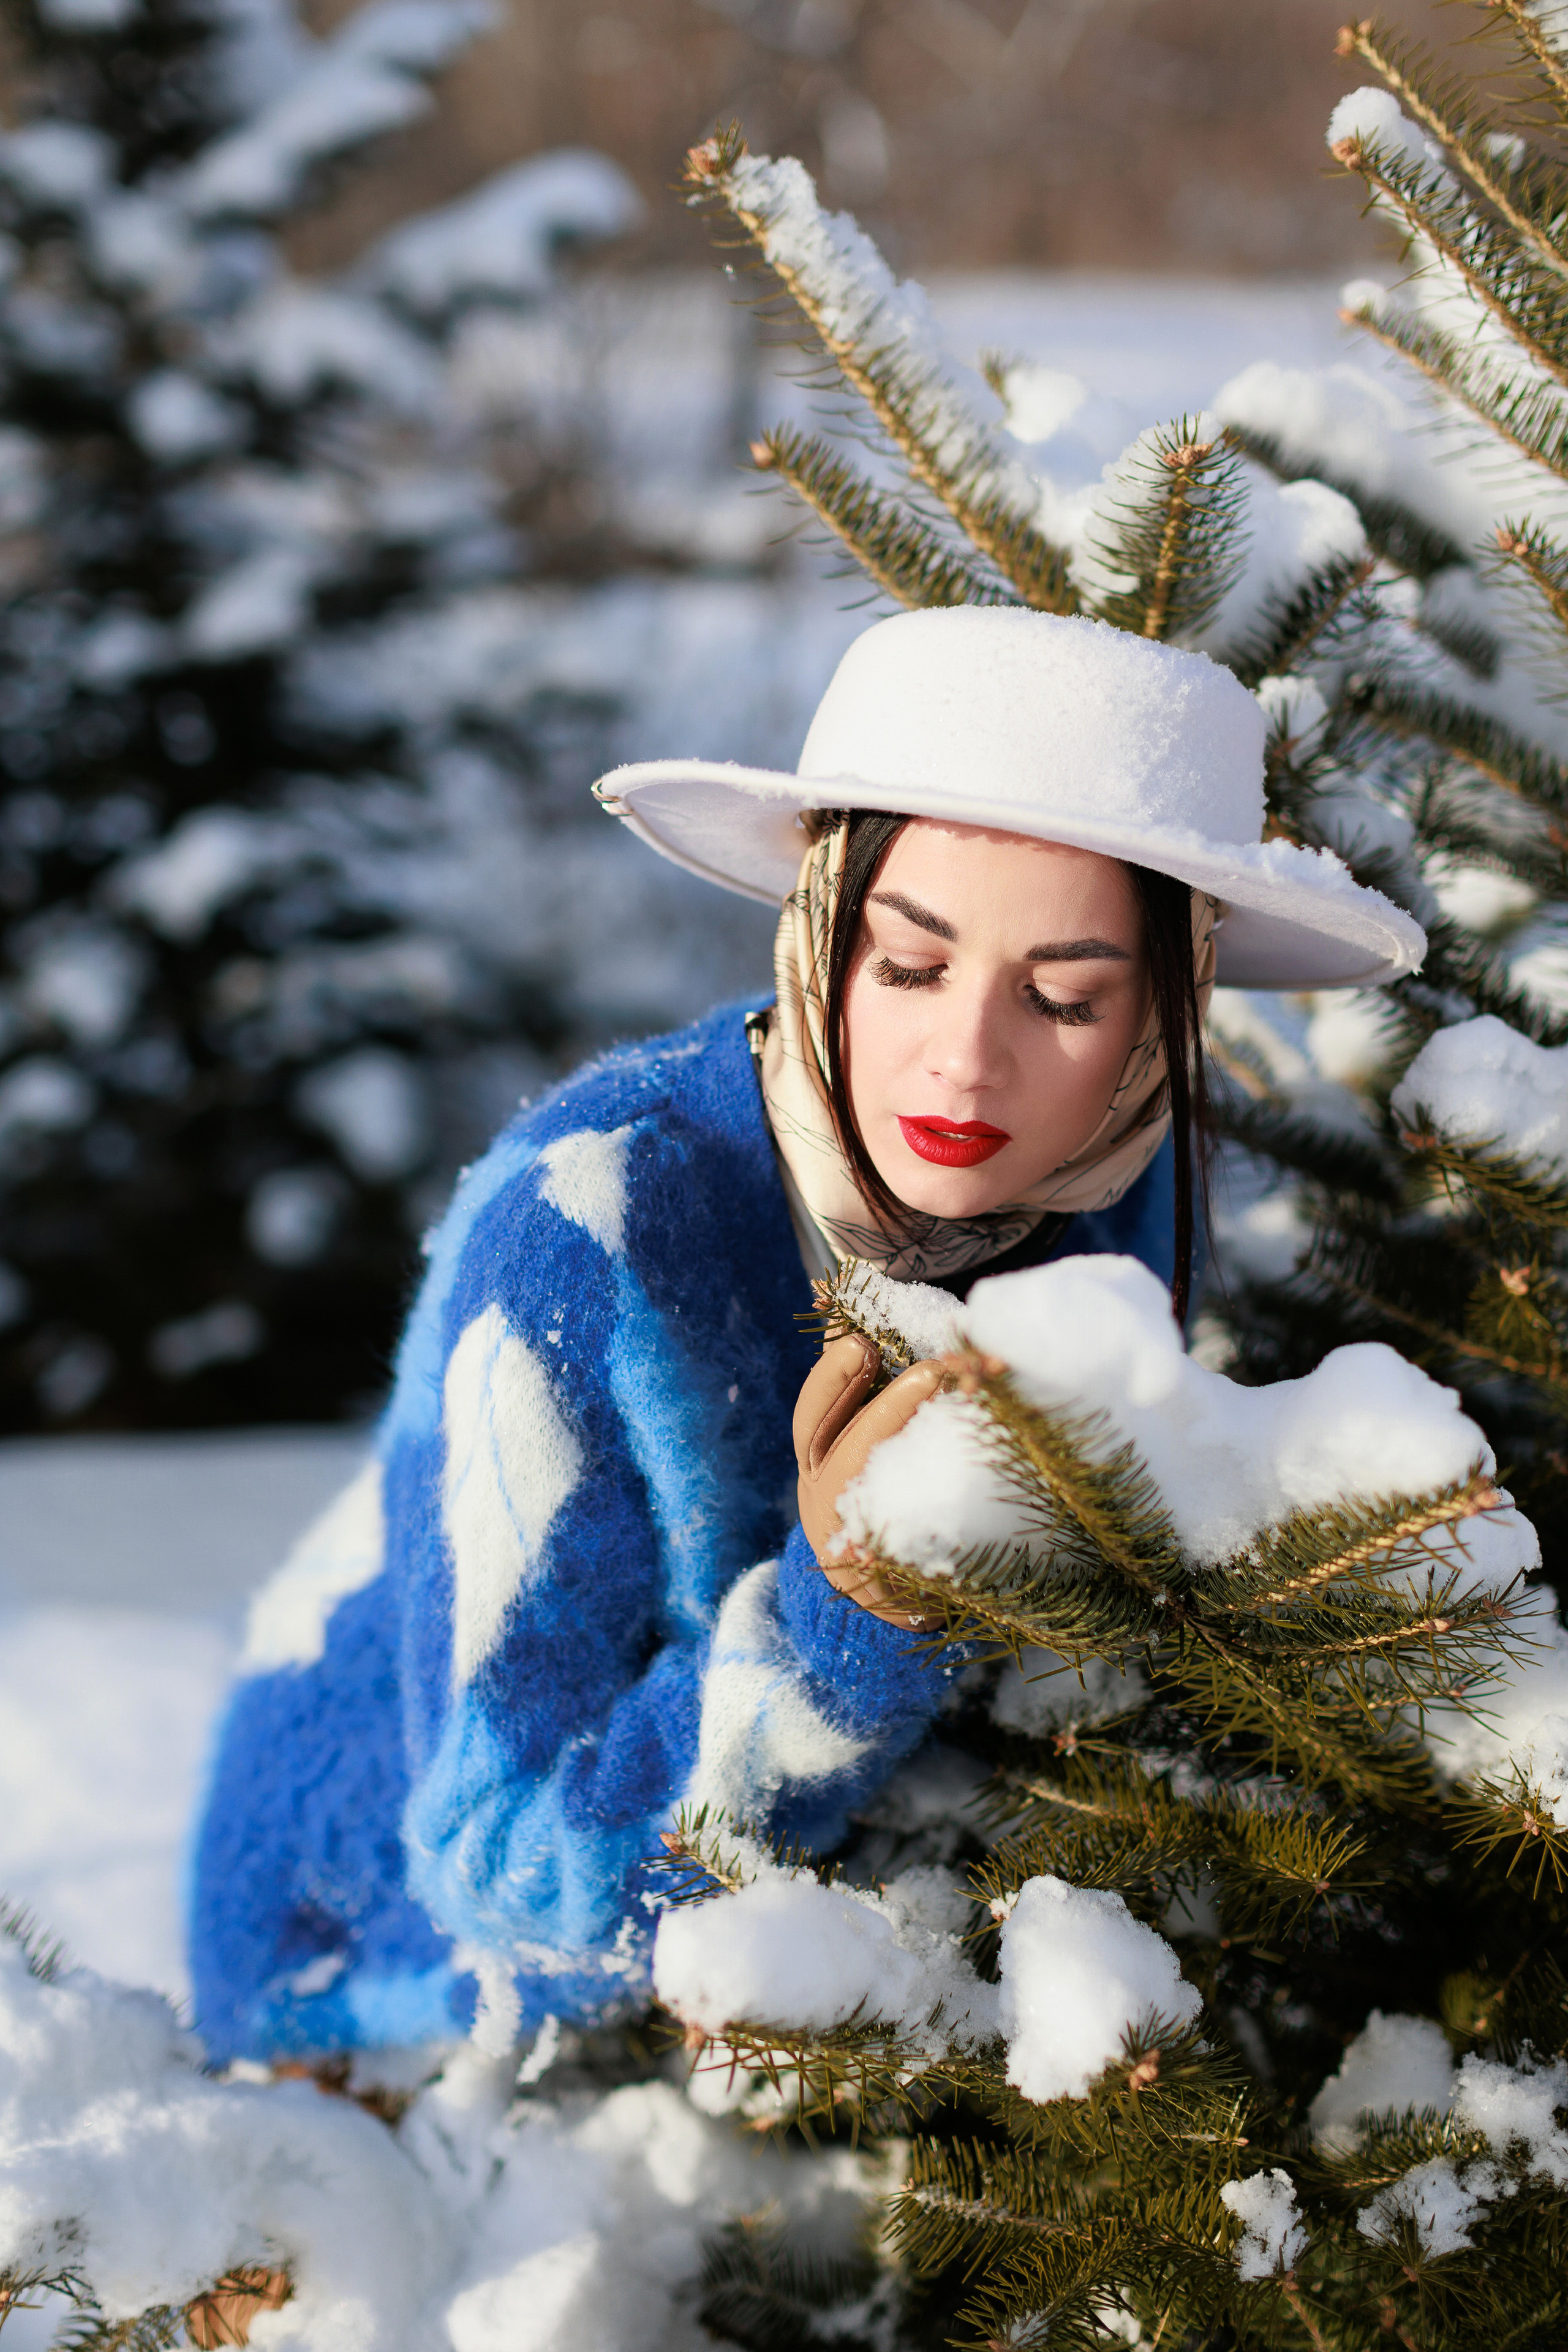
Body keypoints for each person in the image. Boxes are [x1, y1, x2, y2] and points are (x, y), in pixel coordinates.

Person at [187, 606, 1423, 2065]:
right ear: (823, 929)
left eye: (1064, 997)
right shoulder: (585, 1233)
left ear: (1159, 1019)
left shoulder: (1118, 1169)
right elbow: (509, 1883)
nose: (966, 1062)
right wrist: (847, 1613)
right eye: (905, 966)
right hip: (395, 2016)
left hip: (841, 1950)